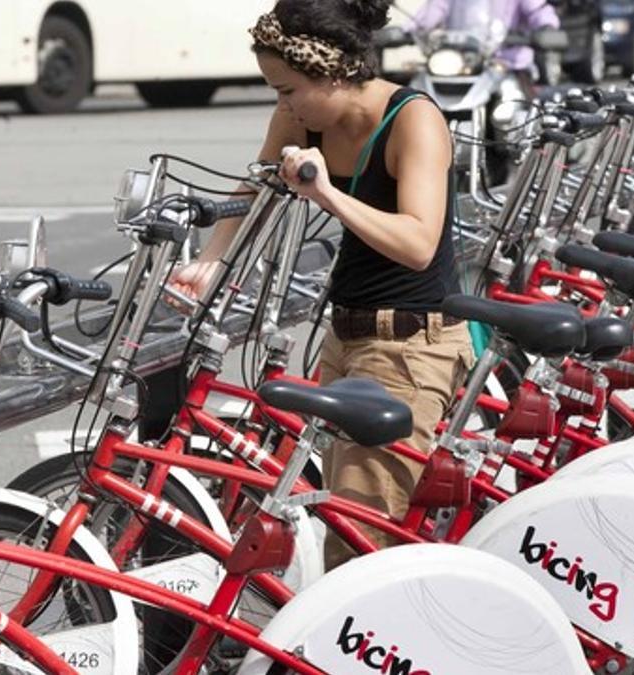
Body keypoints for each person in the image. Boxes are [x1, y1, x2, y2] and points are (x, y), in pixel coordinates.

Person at [167, 0, 474, 570]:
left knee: (360, 547)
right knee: (341, 518)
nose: (280, 104)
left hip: (410, 346)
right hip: (347, 337)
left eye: (286, 90)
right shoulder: (305, 114)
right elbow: (254, 184)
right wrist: (209, 259)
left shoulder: (413, 119)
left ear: (333, 72)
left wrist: (327, 193)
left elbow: (417, 243)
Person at [409, 0, 561, 77]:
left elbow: (539, 11)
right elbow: (430, 14)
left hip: (508, 65)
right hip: (464, 61)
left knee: (511, 97)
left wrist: (546, 28)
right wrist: (407, 30)